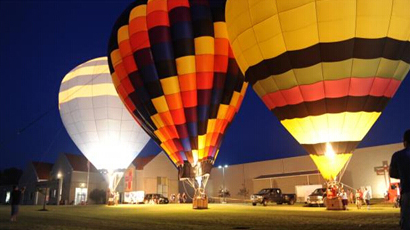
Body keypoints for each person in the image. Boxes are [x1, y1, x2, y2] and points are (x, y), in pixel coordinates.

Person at [390, 129, 410, 230]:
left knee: (406, 220)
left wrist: (403, 174)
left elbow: (392, 173)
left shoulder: (397, 155)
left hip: (406, 192)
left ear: (405, 142)